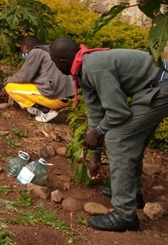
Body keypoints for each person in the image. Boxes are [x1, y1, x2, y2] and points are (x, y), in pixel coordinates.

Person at [49, 37, 168, 232]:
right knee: (129, 138)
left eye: (53, 62)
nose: (54, 66)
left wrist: (98, 132)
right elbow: (96, 114)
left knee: (118, 138)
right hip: (151, 88)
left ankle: (125, 215)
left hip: (161, 86)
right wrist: (95, 156)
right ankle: (132, 194)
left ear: (62, 61)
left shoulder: (94, 67)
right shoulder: (84, 67)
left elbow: (118, 112)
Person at [4, 36, 75, 122]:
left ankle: (45, 111)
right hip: (68, 99)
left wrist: (6, 81)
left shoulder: (36, 52)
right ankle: (43, 108)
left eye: (22, 50)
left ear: (27, 47)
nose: (22, 53)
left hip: (54, 98)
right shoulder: (51, 51)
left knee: (10, 87)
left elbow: (23, 76)